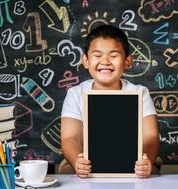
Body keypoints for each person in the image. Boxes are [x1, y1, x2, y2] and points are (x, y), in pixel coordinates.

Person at [61, 24, 159, 178]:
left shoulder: (140, 93)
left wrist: (146, 161)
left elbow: (150, 136)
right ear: (85, 60)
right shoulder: (75, 94)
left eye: (113, 56)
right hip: (86, 160)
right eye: (97, 55)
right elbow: (70, 137)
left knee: (152, 169)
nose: (105, 61)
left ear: (127, 61)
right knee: (67, 169)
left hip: (135, 161)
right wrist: (77, 161)